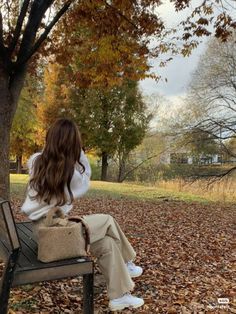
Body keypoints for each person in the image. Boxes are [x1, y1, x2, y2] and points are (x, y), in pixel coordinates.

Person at [21, 118, 144, 311]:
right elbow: (86, 181)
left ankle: (119, 296)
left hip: (41, 230)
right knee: (108, 220)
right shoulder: (71, 172)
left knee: (107, 244)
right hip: (55, 233)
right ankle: (128, 261)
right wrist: (79, 152)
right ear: (74, 143)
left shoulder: (37, 161)